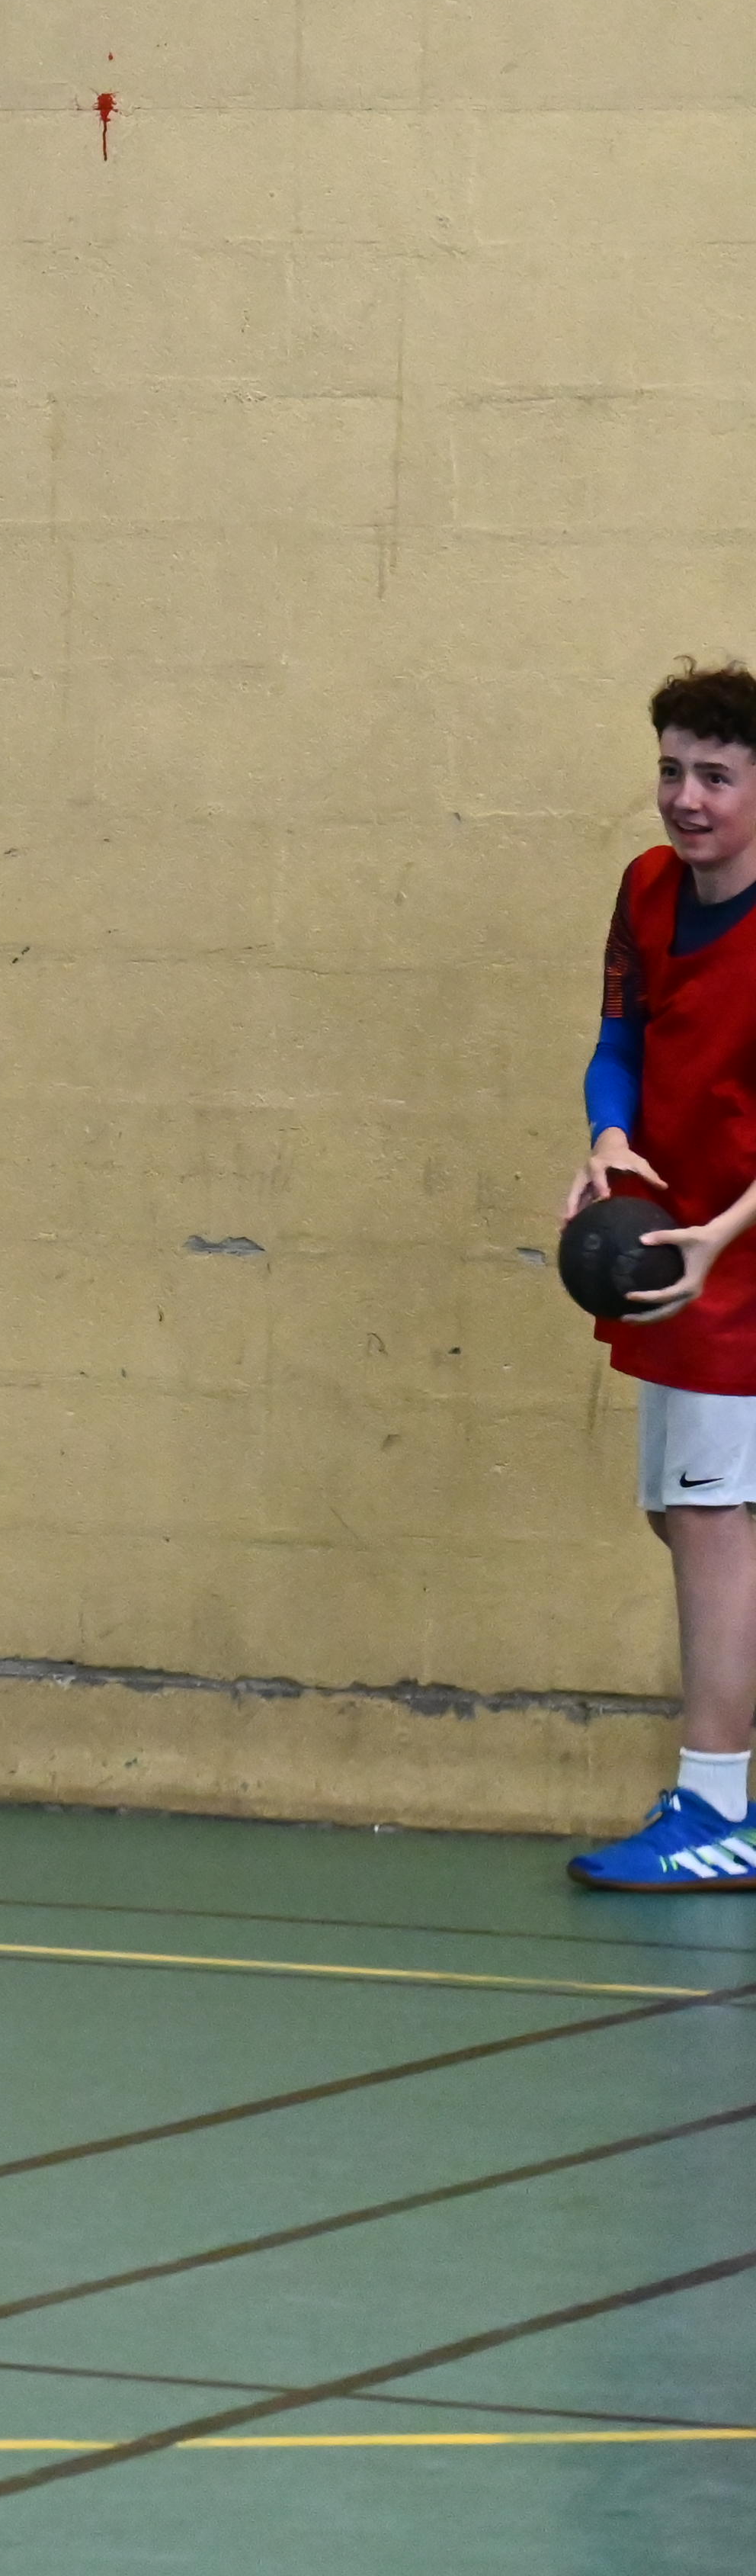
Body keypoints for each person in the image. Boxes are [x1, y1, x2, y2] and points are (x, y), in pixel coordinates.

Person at [563, 659, 756, 1890]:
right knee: (683, 1517)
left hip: (732, 1258)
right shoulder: (644, 892)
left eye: (719, 778)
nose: (687, 799)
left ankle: (719, 1807)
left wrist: (725, 1235)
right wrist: (610, 1140)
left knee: (708, 1522)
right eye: (674, 771)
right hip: (677, 1244)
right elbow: (617, 1041)